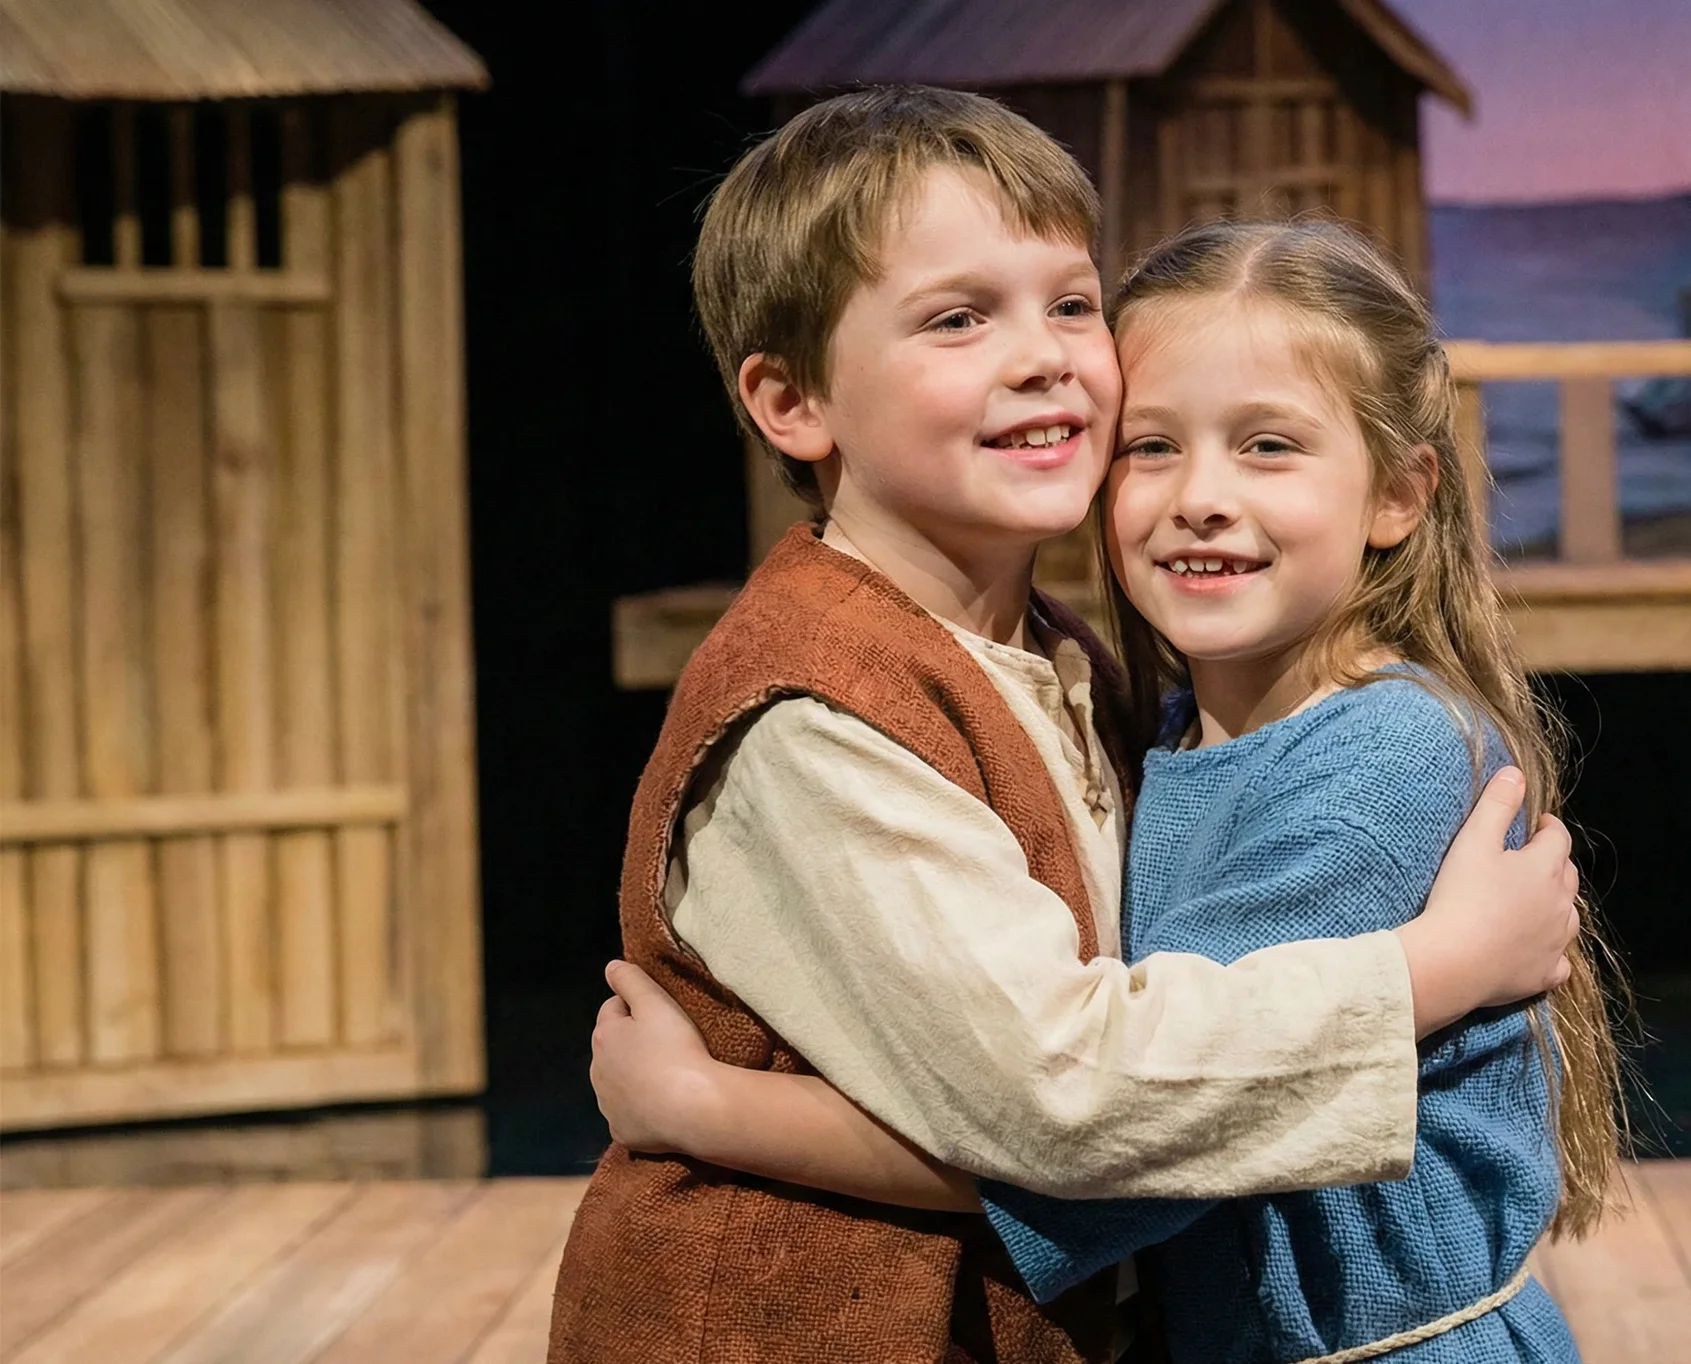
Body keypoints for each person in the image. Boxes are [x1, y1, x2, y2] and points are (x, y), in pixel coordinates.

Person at [547, 87, 1584, 1364]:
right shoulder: (816, 717)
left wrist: (708, 1105)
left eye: (1071, 303)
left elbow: (1115, 1113)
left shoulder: (1082, 671)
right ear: (793, 401)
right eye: (958, 317)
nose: (1040, 354)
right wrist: (1442, 964)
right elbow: (1072, 1099)